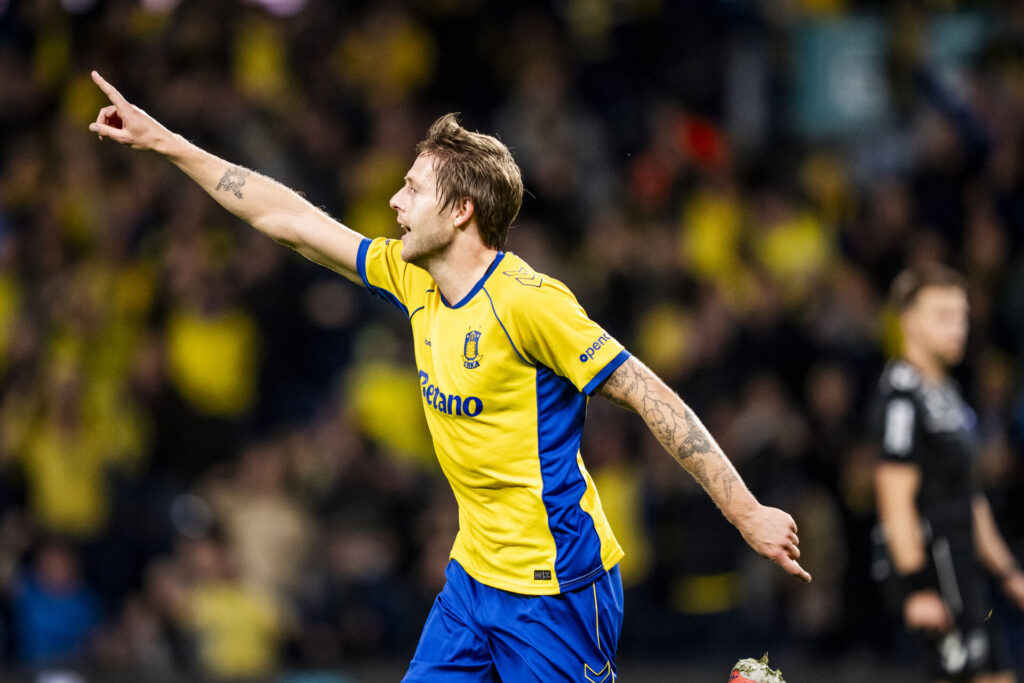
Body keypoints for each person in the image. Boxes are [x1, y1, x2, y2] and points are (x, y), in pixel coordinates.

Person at [87, 70, 810, 681]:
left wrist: (746, 511)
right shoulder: (413, 279)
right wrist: (168, 143)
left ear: (462, 211)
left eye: (411, 188)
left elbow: (652, 394)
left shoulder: (530, 304)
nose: (395, 202)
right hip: (472, 581)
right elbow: (289, 219)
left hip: (555, 590)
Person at [872, 264, 1024, 683]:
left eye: (961, 316)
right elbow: (894, 499)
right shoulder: (901, 397)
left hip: (965, 569)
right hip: (935, 571)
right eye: (941, 315)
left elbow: (969, 497)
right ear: (907, 321)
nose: (957, 327)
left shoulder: (948, 395)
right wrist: (917, 586)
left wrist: (1008, 573)